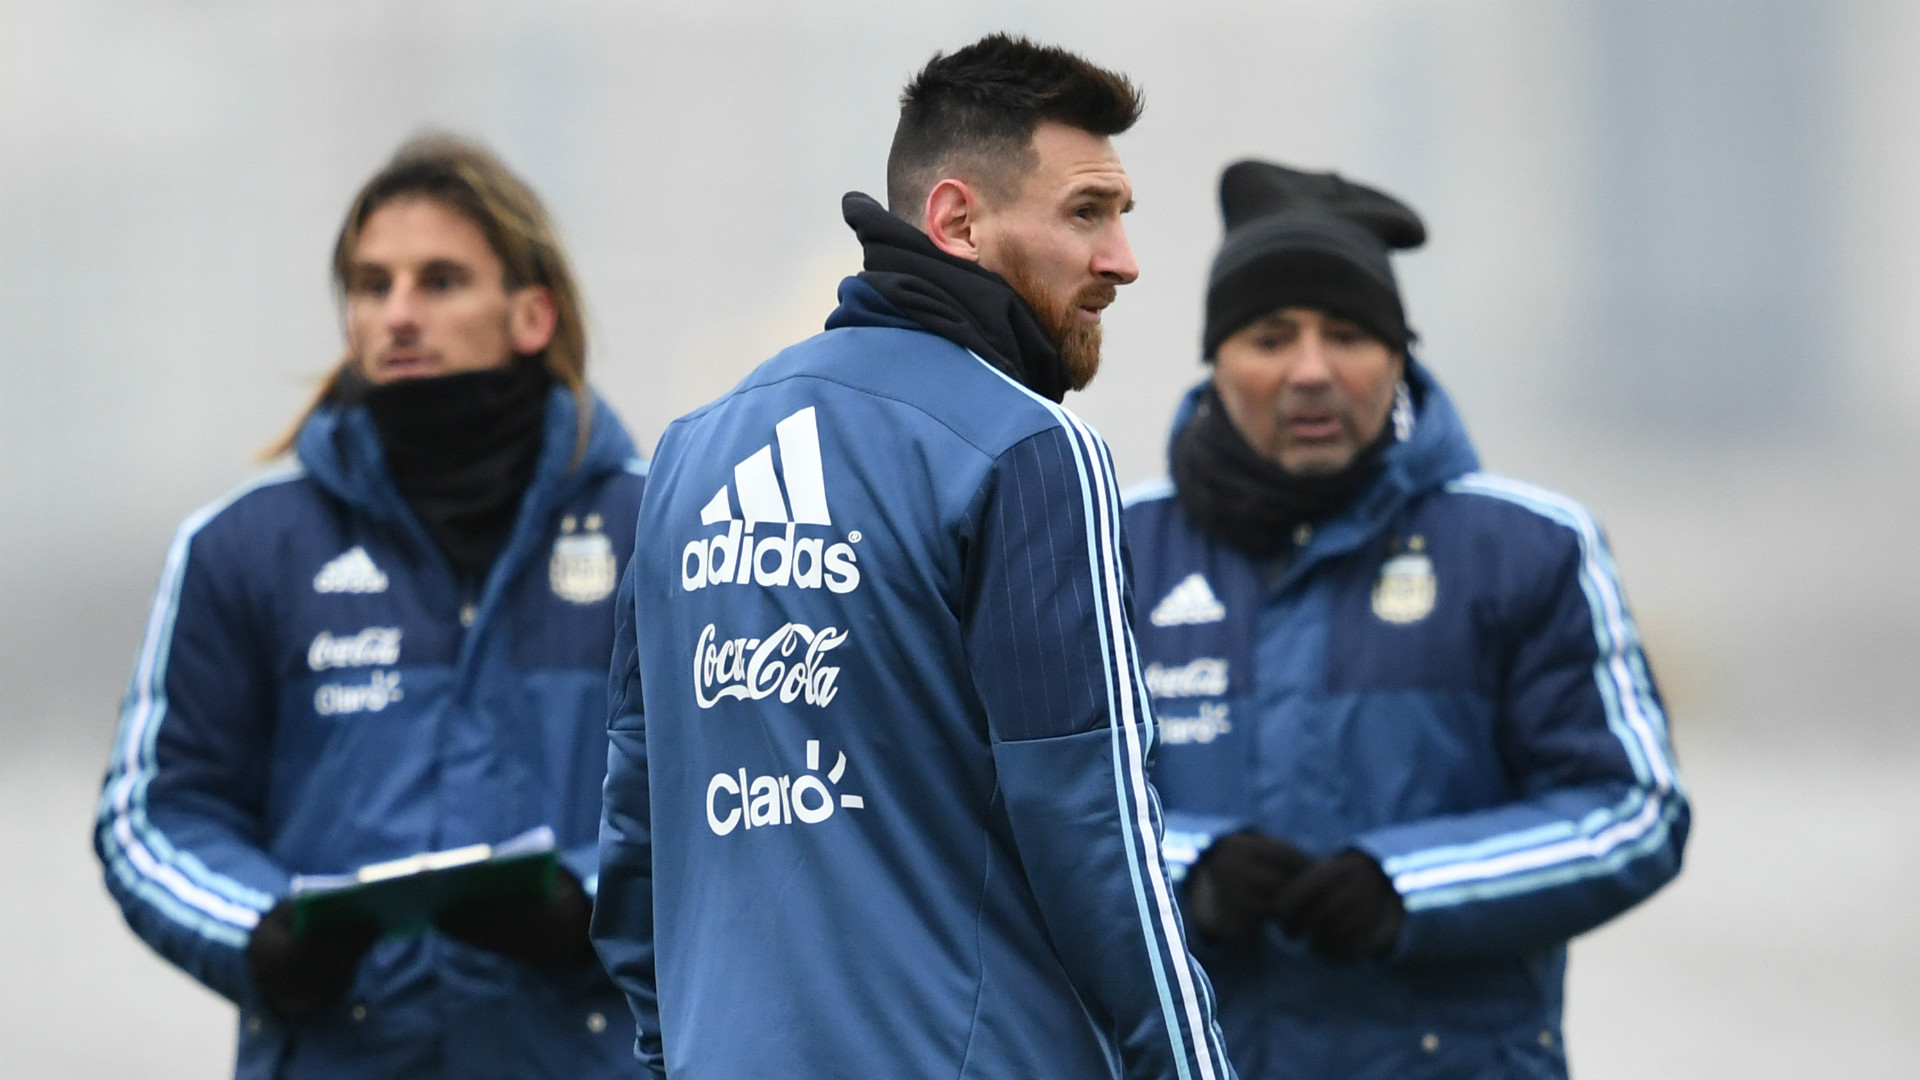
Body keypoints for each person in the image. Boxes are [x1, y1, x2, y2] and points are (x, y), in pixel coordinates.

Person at [592, 34, 1233, 1080]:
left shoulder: (690, 454)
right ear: (956, 221)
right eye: (1087, 212)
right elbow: (1096, 825)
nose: (1122, 259)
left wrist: (674, 1056)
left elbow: (636, 831)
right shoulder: (1030, 450)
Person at [95, 134, 651, 1079]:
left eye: (439, 281)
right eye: (370, 284)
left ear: (531, 314)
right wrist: (265, 933)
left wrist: (591, 905)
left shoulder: (662, 530)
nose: (397, 314)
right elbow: (154, 814)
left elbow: (744, 802)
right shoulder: (240, 548)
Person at [1123, 160, 1690, 1079]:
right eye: (1270, 337)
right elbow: (1009, 806)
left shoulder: (1530, 547)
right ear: (1217, 360)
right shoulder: (1110, 548)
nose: (1311, 372)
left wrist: (1410, 888)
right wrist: (1184, 872)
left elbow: (1633, 809)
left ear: (1399, 358)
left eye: (1347, 334)